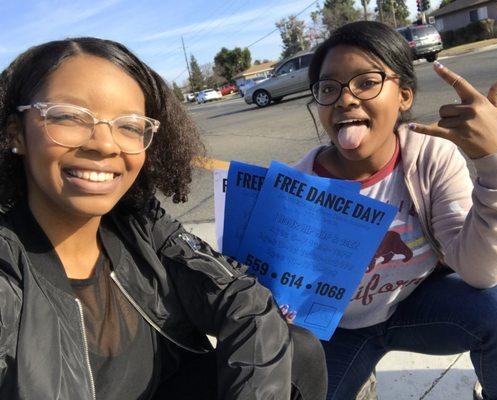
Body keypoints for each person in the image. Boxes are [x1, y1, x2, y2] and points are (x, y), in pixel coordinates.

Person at [0, 37, 327, 399]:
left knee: (298, 349)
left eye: (129, 125)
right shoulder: (8, 274)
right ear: (16, 133)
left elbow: (244, 301)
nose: (105, 144)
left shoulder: (141, 225)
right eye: (69, 116)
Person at [292, 21, 497, 399]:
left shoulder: (430, 156)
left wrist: (496, 161)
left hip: (419, 304)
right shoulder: (296, 187)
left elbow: (480, 271)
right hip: (338, 329)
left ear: (404, 95)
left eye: (365, 81)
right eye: (328, 88)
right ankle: (360, 378)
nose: (344, 99)